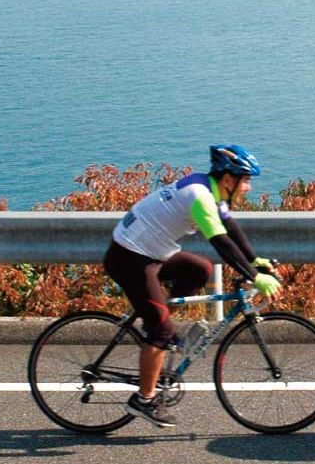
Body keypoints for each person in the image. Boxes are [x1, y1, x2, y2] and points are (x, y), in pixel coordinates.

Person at [104, 144, 282, 428]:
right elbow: (221, 241)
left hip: (152, 252)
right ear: (228, 180)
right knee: (161, 330)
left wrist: (255, 260)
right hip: (130, 258)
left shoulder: (210, 187)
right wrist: (255, 276)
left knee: (200, 270)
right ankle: (144, 399)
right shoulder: (200, 197)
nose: (247, 188)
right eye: (246, 181)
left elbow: (230, 227)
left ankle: (159, 329)